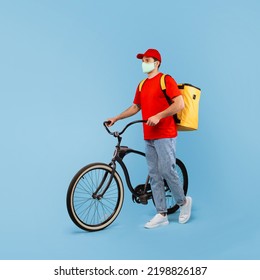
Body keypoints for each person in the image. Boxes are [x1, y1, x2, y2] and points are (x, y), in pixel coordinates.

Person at [107, 49, 192, 229]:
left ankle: (184, 203)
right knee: (154, 174)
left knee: (166, 171)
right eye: (142, 60)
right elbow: (135, 107)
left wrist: (159, 116)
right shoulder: (142, 85)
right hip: (149, 135)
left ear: (157, 63)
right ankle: (161, 213)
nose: (144, 63)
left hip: (165, 133)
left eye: (147, 60)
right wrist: (116, 118)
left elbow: (180, 104)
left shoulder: (166, 80)